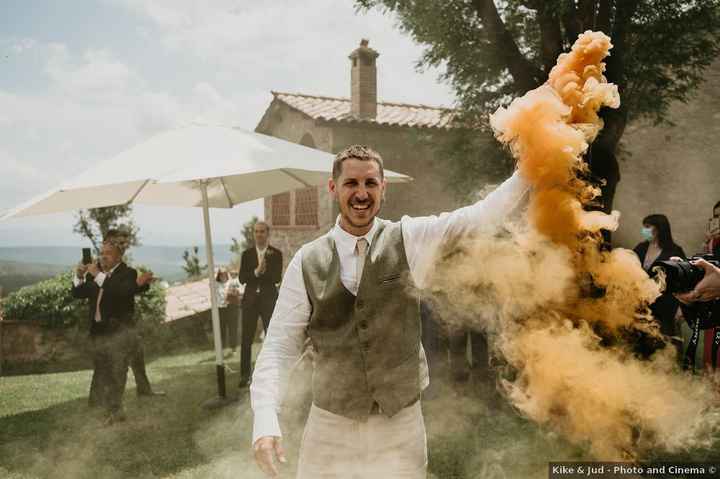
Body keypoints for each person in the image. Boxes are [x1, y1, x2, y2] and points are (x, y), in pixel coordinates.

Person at [250, 145, 528, 478]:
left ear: (384, 188)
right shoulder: (305, 261)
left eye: (370, 183)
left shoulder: (408, 238)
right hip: (330, 429)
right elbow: (280, 346)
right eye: (351, 183)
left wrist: (530, 167)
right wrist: (265, 420)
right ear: (333, 188)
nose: (361, 193)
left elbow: (478, 217)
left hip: (400, 426)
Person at [71, 237, 144, 424]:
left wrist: (97, 275)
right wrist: (79, 276)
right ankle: (103, 408)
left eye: (107, 254)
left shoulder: (128, 273)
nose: (103, 257)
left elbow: (120, 292)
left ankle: (114, 411)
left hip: (118, 333)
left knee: (117, 371)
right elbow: (78, 293)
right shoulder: (97, 274)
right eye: (101, 253)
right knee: (102, 370)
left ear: (119, 256)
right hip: (98, 332)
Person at [238, 221, 282, 387]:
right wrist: (256, 272)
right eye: (256, 232)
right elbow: (242, 279)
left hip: (268, 300)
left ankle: (274, 373)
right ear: (253, 234)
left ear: (267, 233)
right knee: (246, 339)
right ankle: (244, 376)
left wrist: (262, 274)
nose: (259, 234)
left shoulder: (275, 254)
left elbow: (276, 277)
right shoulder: (247, 254)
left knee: (272, 337)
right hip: (250, 301)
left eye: (262, 231)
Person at [633, 214, 686, 336]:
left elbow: (683, 280)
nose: (644, 230)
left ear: (658, 229)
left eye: (647, 227)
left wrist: (681, 307)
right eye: (643, 227)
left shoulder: (674, 251)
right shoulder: (641, 248)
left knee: (664, 343)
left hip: (665, 307)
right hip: (641, 305)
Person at [216, 268, 240, 353]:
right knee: (221, 328)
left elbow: (238, 287)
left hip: (232, 308)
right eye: (221, 275)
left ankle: (233, 348)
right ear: (219, 276)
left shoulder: (231, 283)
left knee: (233, 328)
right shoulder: (216, 285)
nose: (223, 276)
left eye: (224, 274)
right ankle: (222, 348)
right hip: (221, 309)